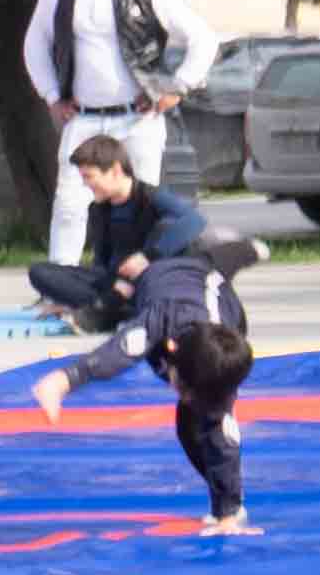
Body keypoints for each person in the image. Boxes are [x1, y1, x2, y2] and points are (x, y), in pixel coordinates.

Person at [27, 133, 260, 534]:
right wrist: (63, 381)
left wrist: (228, 514)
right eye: (179, 384)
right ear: (169, 350)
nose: (179, 392)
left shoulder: (221, 353)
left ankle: (228, 506)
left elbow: (223, 431)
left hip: (207, 298)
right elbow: (117, 351)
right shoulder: (157, 326)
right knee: (194, 419)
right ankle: (246, 250)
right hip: (163, 282)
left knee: (205, 421)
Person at [22, 0, 189, 276]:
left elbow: (203, 40)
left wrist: (175, 89)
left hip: (138, 119)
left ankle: (140, 281)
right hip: (84, 119)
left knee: (142, 205)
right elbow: (35, 44)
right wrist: (52, 94)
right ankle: (60, 285)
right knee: (69, 204)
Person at [25, 124, 238, 333]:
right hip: (116, 283)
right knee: (40, 272)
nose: (86, 184)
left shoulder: (150, 196)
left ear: (115, 170)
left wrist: (147, 257)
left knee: (168, 225)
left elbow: (194, 220)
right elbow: (101, 263)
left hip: (149, 277)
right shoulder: (99, 209)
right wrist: (75, 296)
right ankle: (109, 307)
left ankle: (110, 308)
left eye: (89, 177)